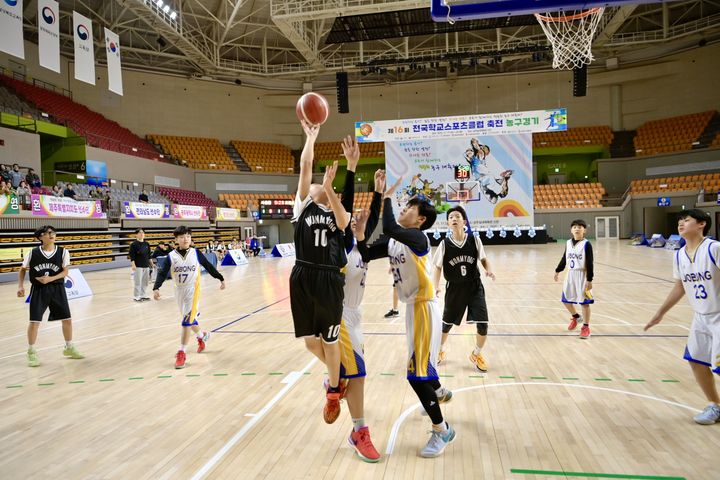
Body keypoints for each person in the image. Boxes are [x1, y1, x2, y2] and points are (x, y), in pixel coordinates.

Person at [362, 175, 456, 458]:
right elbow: (365, 249)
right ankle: (437, 388)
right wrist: (378, 197)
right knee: (420, 365)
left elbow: (389, 223)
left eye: (409, 208)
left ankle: (442, 430)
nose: (403, 209)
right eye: (403, 206)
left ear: (420, 220)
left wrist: (387, 195)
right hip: (413, 309)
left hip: (425, 308)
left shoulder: (418, 238)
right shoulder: (393, 240)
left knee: (416, 376)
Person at [290, 120, 350, 424]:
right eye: (313, 185)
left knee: (329, 341)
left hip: (328, 276)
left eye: (320, 185)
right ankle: (337, 374)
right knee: (310, 342)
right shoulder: (302, 207)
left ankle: (333, 391)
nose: (313, 185)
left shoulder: (337, 209)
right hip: (302, 275)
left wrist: (329, 188)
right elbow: (305, 166)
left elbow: (343, 223)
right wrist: (311, 138)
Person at [334, 138, 383, 462]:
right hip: (338, 315)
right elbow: (349, 207)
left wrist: (378, 193)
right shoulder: (338, 245)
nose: (354, 218)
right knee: (359, 373)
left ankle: (335, 377)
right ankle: (359, 431)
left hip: (356, 316)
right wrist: (351, 168)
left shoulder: (361, 249)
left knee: (353, 375)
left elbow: (373, 222)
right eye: (349, 217)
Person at [645, 210, 720, 425]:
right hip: (700, 316)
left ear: (701, 224)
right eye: (680, 220)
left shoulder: (714, 248)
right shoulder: (679, 254)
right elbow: (680, 287)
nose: (681, 223)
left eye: (687, 220)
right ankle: (715, 405)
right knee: (696, 361)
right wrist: (660, 313)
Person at [432, 205, 495, 371]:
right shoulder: (444, 244)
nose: (454, 219)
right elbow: (437, 267)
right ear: (448, 223)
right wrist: (435, 286)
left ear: (464, 221)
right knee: (446, 325)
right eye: (451, 217)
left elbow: (484, 258)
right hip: (454, 288)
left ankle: (477, 353)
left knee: (483, 324)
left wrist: (488, 269)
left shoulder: (474, 240)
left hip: (474, 286)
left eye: (457, 216)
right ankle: (439, 350)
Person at [153, 226, 225, 369]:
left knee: (186, 321)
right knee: (190, 320)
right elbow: (162, 273)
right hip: (179, 291)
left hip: (193, 290)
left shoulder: (195, 253)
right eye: (181, 237)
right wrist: (156, 287)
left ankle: (182, 353)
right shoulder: (171, 256)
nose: (185, 239)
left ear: (191, 238)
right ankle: (202, 337)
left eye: (187, 236)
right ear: (176, 240)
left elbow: (209, 266)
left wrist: (220, 278)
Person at [16, 225, 84, 367]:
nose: (51, 234)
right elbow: (22, 269)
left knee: (67, 320)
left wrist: (50, 279)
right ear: (40, 237)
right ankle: (31, 351)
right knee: (34, 322)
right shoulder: (32, 253)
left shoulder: (63, 252)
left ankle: (69, 347)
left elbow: (65, 272)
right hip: (39, 289)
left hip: (57, 288)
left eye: (53, 232)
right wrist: (20, 286)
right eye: (47, 233)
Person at [554, 219, 594, 339]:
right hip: (570, 274)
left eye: (580, 227)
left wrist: (589, 279)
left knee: (584, 303)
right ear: (571, 230)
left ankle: (586, 327)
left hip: (582, 275)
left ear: (584, 230)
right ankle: (576, 317)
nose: (577, 229)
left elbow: (590, 262)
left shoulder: (587, 244)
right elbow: (564, 258)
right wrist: (557, 270)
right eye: (575, 227)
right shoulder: (567, 243)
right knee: (566, 300)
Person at [129, 228, 152, 302]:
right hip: (138, 266)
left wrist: (151, 264)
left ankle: (143, 295)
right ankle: (136, 296)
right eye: (140, 233)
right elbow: (132, 256)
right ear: (136, 234)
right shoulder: (133, 244)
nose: (142, 234)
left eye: (143, 233)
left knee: (145, 282)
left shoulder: (147, 244)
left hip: (146, 265)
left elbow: (149, 256)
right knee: (138, 282)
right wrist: (133, 265)